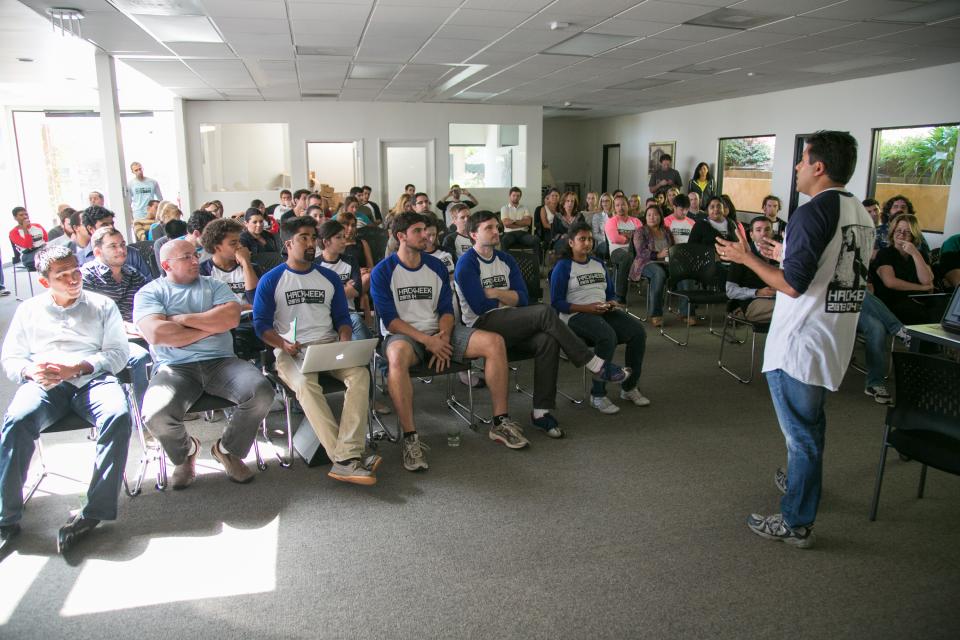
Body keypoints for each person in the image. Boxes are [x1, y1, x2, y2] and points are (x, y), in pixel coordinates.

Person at [716, 130, 875, 549]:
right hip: (832, 338)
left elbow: (792, 287)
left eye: (803, 160)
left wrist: (746, 257)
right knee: (811, 427)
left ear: (819, 167)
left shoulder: (810, 213)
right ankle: (803, 480)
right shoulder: (859, 211)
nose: (797, 167)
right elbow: (829, 268)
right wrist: (780, 253)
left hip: (800, 344)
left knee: (800, 436)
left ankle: (796, 521)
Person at [1, 245, 130, 554]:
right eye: (63, 275)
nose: (73, 279)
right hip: (46, 384)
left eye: (75, 271)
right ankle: (6, 516)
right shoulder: (29, 310)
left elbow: (118, 353)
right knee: (17, 419)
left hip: (91, 378)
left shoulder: (102, 305)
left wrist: (80, 367)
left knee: (118, 415)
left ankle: (93, 512)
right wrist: (30, 370)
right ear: (46, 282)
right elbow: (11, 359)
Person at [371, 212, 527, 470]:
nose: (426, 236)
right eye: (418, 231)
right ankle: (411, 439)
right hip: (405, 336)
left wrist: (442, 336)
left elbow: (446, 310)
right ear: (401, 236)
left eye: (426, 230)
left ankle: (500, 423)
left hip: (440, 332)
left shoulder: (435, 266)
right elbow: (390, 321)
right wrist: (428, 341)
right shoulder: (383, 271)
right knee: (396, 356)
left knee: (494, 342)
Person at [455, 210, 629, 437]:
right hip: (482, 326)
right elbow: (480, 306)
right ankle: (594, 363)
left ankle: (540, 412)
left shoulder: (506, 259)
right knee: (545, 313)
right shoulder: (467, 263)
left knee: (547, 340)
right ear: (473, 234)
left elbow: (524, 298)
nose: (496, 231)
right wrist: (508, 296)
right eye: (489, 228)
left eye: (497, 226)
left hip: (513, 321)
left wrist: (495, 292)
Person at [134, 239, 275, 490]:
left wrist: (181, 320)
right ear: (167, 265)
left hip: (221, 362)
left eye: (195, 254)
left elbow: (230, 318)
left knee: (262, 392)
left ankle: (227, 450)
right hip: (174, 368)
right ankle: (187, 451)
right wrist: (209, 327)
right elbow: (156, 333)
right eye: (186, 257)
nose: (195, 260)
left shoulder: (214, 285)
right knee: (155, 414)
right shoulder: (150, 292)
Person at [254, 216, 377, 485]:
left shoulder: (329, 278)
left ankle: (346, 455)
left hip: (327, 347)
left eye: (313, 238)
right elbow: (260, 326)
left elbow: (343, 319)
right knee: (306, 385)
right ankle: (346, 458)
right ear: (288, 243)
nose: (312, 244)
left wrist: (344, 339)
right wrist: (282, 343)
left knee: (360, 375)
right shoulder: (271, 280)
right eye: (304, 238)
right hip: (290, 351)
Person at [552, 222, 648, 414]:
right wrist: (587, 307)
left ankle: (629, 387)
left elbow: (610, 293)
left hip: (602, 310)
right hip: (576, 314)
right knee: (607, 336)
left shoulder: (599, 264)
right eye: (582, 239)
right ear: (571, 242)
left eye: (590, 239)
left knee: (638, 333)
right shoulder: (563, 267)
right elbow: (556, 303)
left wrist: (612, 303)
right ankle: (597, 394)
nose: (587, 243)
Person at [80, 226, 152, 407]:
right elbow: (89, 318)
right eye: (113, 246)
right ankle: (146, 415)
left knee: (173, 344)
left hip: (138, 333)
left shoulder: (132, 273)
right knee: (142, 357)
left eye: (122, 244)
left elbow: (152, 299)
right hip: (106, 341)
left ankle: (167, 404)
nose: (121, 250)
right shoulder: (87, 276)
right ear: (97, 251)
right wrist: (126, 327)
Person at [870, 213, 938, 324]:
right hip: (892, 302)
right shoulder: (885, 253)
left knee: (940, 310)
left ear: (913, 235)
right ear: (893, 232)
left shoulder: (919, 254)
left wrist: (915, 253)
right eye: (898, 230)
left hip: (917, 300)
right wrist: (921, 288)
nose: (902, 235)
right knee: (923, 316)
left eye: (907, 231)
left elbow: (927, 280)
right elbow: (890, 282)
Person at [316, 218, 371, 339]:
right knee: (356, 334)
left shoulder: (350, 261)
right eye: (338, 237)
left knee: (356, 323)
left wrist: (331, 290)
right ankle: (368, 355)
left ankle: (368, 355)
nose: (343, 241)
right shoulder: (315, 265)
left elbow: (356, 291)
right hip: (325, 315)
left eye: (343, 237)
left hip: (348, 313)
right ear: (326, 242)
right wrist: (345, 287)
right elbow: (319, 297)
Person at [69, 206, 154, 281]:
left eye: (112, 224)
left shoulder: (131, 253)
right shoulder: (80, 260)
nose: (111, 228)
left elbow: (149, 283)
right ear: (91, 229)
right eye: (104, 225)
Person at [725, 218, 779, 323]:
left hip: (776, 298)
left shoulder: (779, 255)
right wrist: (757, 292)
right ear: (751, 235)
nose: (763, 234)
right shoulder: (742, 256)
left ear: (772, 233)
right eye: (758, 230)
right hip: (752, 302)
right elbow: (730, 291)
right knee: (788, 309)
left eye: (767, 230)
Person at [629, 204, 674, 327]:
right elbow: (641, 252)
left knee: (684, 271)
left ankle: (686, 312)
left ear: (660, 216)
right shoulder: (640, 231)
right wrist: (658, 254)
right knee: (659, 274)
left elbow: (672, 246)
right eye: (649, 215)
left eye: (655, 214)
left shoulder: (666, 230)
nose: (652, 217)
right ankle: (655, 314)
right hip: (645, 263)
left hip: (666, 262)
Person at [605, 194, 639, 304]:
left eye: (623, 204)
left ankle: (617, 292)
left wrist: (623, 234)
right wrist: (629, 237)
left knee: (629, 257)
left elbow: (642, 237)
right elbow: (614, 238)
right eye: (617, 205)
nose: (620, 207)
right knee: (626, 257)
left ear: (628, 206)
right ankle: (620, 295)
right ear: (614, 207)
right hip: (616, 251)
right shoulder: (612, 221)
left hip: (634, 250)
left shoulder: (636, 221)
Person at [499, 186, 538, 252]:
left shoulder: (525, 208)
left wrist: (512, 221)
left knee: (536, 240)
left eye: (518, 196)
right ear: (510, 196)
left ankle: (538, 262)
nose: (516, 197)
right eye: (514, 195)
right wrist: (522, 222)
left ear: (520, 197)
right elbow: (506, 224)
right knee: (504, 240)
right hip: (509, 233)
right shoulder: (504, 208)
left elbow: (528, 222)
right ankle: (505, 262)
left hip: (523, 234)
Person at [9, 206, 47, 270]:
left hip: (44, 250)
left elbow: (46, 240)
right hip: (28, 256)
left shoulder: (37, 226)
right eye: (21, 215)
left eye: (26, 214)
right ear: (15, 218)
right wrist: (25, 229)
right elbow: (28, 246)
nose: (25, 217)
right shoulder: (13, 233)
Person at [590, 192, 614, 257]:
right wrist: (608, 240)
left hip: (617, 241)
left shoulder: (616, 216)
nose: (604, 203)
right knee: (606, 248)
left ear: (611, 202)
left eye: (607, 201)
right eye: (603, 201)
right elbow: (595, 234)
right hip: (603, 242)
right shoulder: (597, 216)